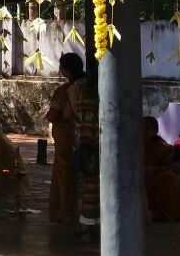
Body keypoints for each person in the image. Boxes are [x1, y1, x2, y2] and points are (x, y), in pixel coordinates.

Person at [45, 52, 84, 223]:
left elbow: (53, 115)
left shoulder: (64, 91)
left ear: (66, 70)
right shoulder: (87, 86)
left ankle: (66, 211)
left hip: (67, 136)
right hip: (84, 134)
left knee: (65, 174)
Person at [72, 74, 100, 240]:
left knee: (88, 189)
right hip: (96, 150)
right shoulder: (95, 105)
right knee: (93, 189)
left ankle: (88, 227)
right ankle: (92, 226)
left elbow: (84, 134)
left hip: (90, 150)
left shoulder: (85, 107)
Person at [142, 116, 180, 223]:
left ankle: (167, 212)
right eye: (141, 127)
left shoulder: (165, 147)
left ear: (154, 131)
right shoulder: (133, 146)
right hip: (140, 174)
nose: (143, 130)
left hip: (157, 173)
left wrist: (152, 169)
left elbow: (169, 166)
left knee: (168, 176)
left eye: (147, 128)